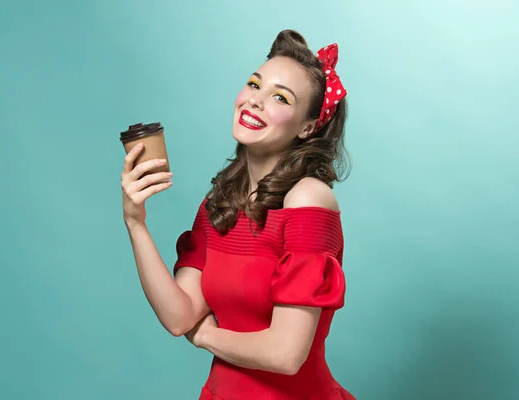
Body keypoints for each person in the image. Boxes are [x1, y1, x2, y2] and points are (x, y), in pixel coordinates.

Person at [121, 29, 356, 400]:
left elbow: (285, 355)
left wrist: (206, 336)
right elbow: (179, 316)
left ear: (308, 127)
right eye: (254, 85)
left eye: (280, 97)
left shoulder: (309, 199)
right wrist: (136, 222)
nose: (255, 102)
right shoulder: (220, 203)